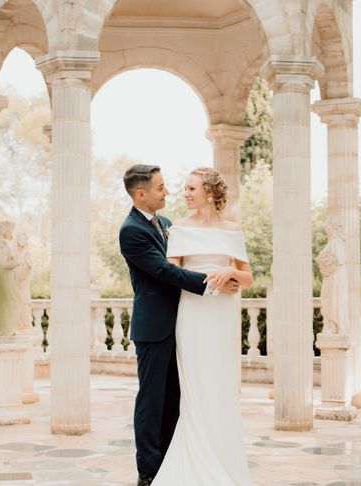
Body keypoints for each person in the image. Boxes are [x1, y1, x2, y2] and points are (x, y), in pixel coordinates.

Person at [118, 164, 240, 486]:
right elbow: (165, 272)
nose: (168, 192)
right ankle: (148, 474)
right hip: (154, 326)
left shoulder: (168, 224)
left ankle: (174, 464)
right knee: (151, 400)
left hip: (183, 323)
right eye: (161, 187)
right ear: (141, 193)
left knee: (176, 398)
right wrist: (214, 283)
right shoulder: (131, 231)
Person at [152, 166, 253, 486]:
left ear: (209, 193)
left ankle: (224, 461)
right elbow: (172, 274)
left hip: (223, 316)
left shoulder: (232, 230)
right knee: (196, 388)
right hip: (193, 314)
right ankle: (192, 463)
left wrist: (231, 275)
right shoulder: (179, 228)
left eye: (191, 188)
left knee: (221, 386)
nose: (184, 193)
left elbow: (249, 277)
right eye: (185, 188)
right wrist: (211, 283)